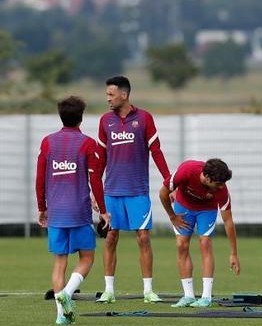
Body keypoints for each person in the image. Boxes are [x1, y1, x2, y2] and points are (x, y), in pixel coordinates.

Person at [36, 96, 111, 325]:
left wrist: (42, 207)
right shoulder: (88, 143)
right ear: (81, 118)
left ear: (61, 116)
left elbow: (40, 178)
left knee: (60, 262)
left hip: (56, 213)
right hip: (78, 211)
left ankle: (62, 315)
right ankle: (68, 294)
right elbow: (95, 179)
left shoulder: (48, 142)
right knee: (87, 258)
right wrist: (103, 211)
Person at [95, 76, 170, 304]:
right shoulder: (105, 121)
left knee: (143, 238)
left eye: (111, 94)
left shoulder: (145, 118)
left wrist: (169, 181)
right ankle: (109, 290)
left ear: (124, 95)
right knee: (110, 238)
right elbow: (100, 159)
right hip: (112, 192)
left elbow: (156, 151)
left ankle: (148, 290)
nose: (107, 98)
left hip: (138, 191)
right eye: (106, 94)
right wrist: (95, 191)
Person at [159, 158, 240, 308]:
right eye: (218, 183)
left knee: (205, 243)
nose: (222, 186)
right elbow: (163, 193)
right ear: (207, 178)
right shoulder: (186, 170)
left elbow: (228, 221)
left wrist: (233, 253)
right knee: (181, 245)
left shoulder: (222, 190)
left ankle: (206, 297)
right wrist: (172, 217)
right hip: (184, 206)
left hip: (206, 210)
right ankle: (188, 296)